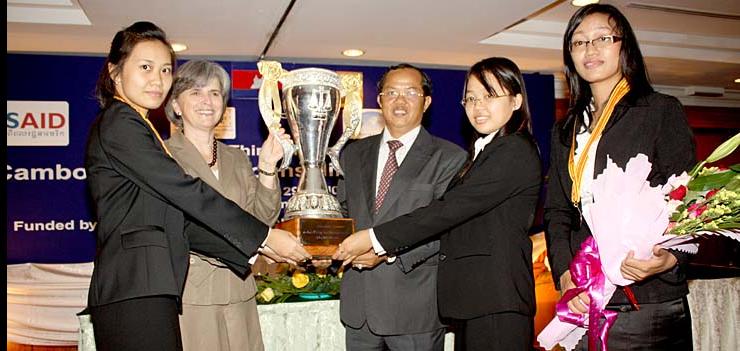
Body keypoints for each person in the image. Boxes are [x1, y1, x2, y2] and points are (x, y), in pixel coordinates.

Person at [84, 22, 309, 351]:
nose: (157, 79)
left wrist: (254, 249)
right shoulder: (121, 122)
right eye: (145, 67)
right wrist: (263, 236)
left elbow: (179, 220)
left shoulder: (137, 125)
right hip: (134, 286)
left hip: (150, 287)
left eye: (164, 70)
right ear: (115, 71)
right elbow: (187, 193)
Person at [334, 57, 542, 350]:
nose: (478, 106)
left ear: (517, 100)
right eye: (471, 98)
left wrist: (375, 240)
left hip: (495, 300)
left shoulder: (512, 151)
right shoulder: (483, 152)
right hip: (472, 300)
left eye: (490, 95)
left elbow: (446, 212)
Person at [543, 4, 695, 350]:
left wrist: (669, 259)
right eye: (579, 42)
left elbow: (685, 198)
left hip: (645, 301)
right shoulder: (565, 129)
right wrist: (567, 275)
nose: (590, 49)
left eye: (602, 38)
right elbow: (557, 212)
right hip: (584, 300)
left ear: (624, 46)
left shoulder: (659, 111)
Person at [336, 64, 467, 350]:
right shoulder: (354, 154)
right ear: (380, 100)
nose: (400, 100)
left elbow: (448, 228)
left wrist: (385, 254)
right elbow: (343, 212)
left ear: (426, 102)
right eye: (391, 92)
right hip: (360, 310)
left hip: (414, 310)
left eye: (410, 92)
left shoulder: (450, 158)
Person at [163, 60, 286, 351]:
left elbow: (261, 220)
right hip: (194, 293)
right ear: (177, 106)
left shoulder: (236, 158)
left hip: (241, 289)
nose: (207, 101)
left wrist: (267, 166)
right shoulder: (163, 156)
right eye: (195, 92)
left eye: (215, 93)